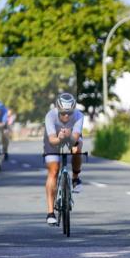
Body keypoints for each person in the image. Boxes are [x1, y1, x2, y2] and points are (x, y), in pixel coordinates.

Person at [43, 93, 84, 225]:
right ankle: (50, 213)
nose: (66, 116)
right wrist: (60, 138)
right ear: (57, 110)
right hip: (54, 138)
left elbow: (75, 139)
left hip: (72, 135)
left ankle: (75, 178)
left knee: (77, 149)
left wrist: (69, 137)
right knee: (53, 171)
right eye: (63, 113)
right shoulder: (50, 116)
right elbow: (52, 140)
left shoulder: (78, 115)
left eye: (69, 113)